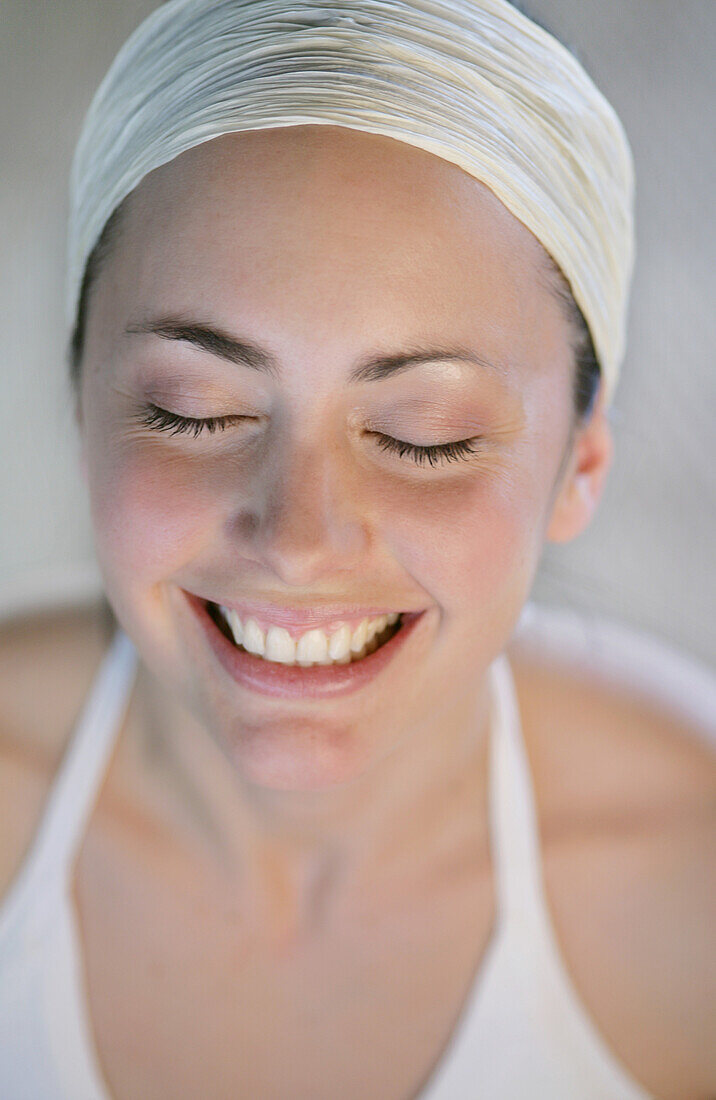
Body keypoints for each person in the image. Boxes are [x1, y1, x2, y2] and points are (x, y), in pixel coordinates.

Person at [0, 1, 714, 1097]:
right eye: (194, 410)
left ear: (579, 462)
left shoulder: (688, 883)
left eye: (421, 435)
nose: (297, 539)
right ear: (80, 399)